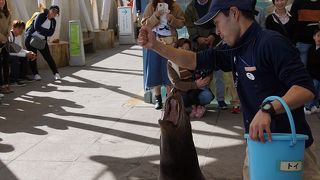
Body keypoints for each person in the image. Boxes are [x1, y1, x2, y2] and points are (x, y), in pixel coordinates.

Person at [138, 0, 320, 179]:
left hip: (290, 147)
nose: (217, 31)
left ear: (234, 13)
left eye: (217, 23)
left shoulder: (272, 43)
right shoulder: (233, 49)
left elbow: (305, 88)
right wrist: (156, 45)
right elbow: (193, 60)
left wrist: (268, 110)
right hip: (258, 145)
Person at [184, 0, 228, 110]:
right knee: (199, 74)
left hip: (215, 43)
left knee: (219, 74)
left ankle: (221, 99)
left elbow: (218, 20)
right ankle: (198, 102)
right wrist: (197, 38)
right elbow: (190, 26)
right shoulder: (190, 7)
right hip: (197, 46)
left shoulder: (215, 4)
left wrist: (213, 35)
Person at [141, 0, 185, 110]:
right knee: (154, 67)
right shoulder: (151, 6)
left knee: (169, 68)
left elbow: (182, 23)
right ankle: (158, 98)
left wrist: (172, 19)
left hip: (171, 41)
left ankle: (169, 97)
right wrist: (155, 15)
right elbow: (144, 24)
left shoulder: (175, 6)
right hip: (154, 40)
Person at [168, 38, 214, 118]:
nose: (184, 51)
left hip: (196, 90)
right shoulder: (171, 63)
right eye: (181, 48)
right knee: (182, 99)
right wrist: (195, 84)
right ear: (176, 48)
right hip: (182, 91)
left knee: (207, 95)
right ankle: (191, 107)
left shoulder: (193, 59)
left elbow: (207, 71)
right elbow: (176, 83)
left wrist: (208, 78)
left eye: (187, 49)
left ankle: (198, 106)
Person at [25, 5, 61, 81]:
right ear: (49, 10)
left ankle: (56, 73)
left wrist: (42, 31)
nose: (54, 14)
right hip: (31, 39)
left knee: (48, 57)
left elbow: (51, 33)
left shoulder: (53, 21)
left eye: (56, 13)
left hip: (41, 41)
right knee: (33, 57)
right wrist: (46, 32)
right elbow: (36, 27)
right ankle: (36, 74)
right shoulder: (41, 15)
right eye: (53, 11)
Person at [291, 0, 320, 65]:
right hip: (303, 42)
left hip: (319, 42)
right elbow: (292, 22)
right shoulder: (298, 2)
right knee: (303, 68)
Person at [8, 20, 36, 86]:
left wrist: (29, 52)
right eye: (19, 28)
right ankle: (13, 80)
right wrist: (25, 54)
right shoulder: (9, 36)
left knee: (24, 57)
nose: (21, 31)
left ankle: (22, 77)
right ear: (13, 28)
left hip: (12, 53)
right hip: (6, 54)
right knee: (15, 58)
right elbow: (10, 52)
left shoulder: (18, 36)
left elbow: (19, 49)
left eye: (22, 29)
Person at [305, 26, 320, 115]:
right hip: (312, 75)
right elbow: (309, 63)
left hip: (318, 75)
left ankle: (315, 105)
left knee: (318, 92)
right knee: (312, 89)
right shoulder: (311, 48)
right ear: (314, 37)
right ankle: (307, 106)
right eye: (318, 36)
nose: (319, 38)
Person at [0, 0, 12, 94]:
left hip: (5, 41)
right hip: (1, 39)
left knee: (6, 62)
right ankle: (1, 86)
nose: (1, 2)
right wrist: (3, 38)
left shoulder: (8, 12)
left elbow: (9, 25)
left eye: (3, 0)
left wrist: (7, 35)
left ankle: (7, 84)